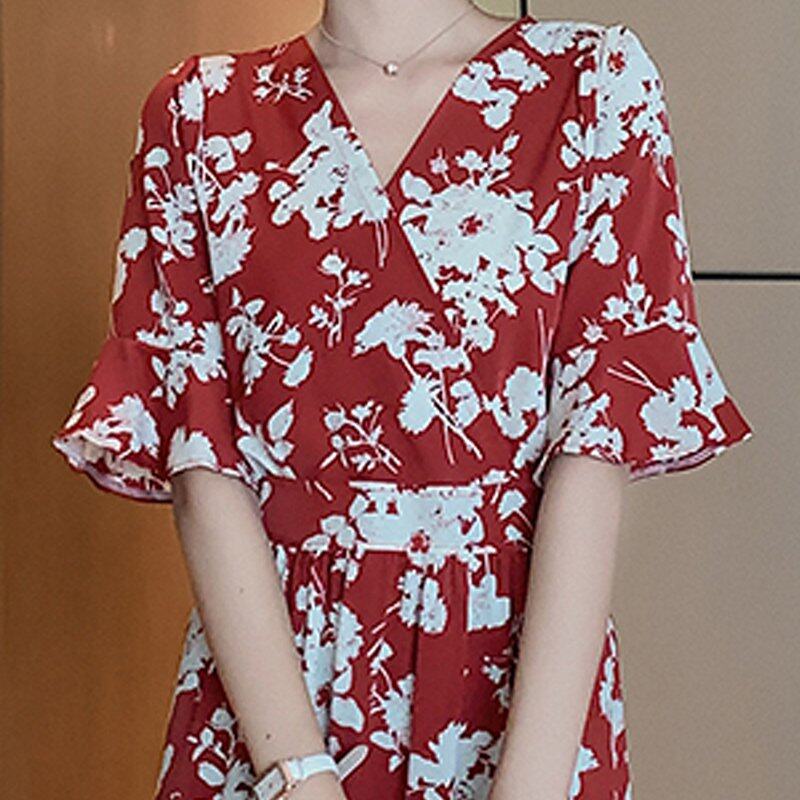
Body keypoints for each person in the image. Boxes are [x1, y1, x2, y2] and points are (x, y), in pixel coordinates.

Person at [50, 1, 754, 798]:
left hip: (514, 692)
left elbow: (594, 449)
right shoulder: (198, 111)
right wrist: (297, 778)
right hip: (270, 699)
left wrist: (529, 784)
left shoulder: (592, 82)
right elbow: (201, 462)